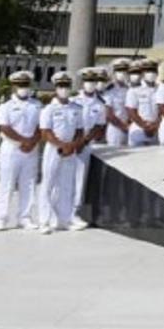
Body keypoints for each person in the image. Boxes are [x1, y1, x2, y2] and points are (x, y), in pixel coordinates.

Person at [0, 70, 42, 231]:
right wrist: (23, 141)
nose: (23, 87)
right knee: (6, 184)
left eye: (26, 85)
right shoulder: (5, 107)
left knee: (28, 184)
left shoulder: (37, 105)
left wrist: (32, 142)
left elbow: (41, 127)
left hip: (31, 149)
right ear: (13, 86)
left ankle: (25, 217)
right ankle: (1, 218)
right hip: (11, 149)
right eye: (20, 85)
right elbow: (4, 128)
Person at [37, 71, 83, 234]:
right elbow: (45, 132)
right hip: (54, 149)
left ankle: (65, 220)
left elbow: (79, 130)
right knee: (48, 185)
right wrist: (61, 145)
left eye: (66, 86)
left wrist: (72, 145)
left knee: (67, 185)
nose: (64, 89)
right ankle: (44, 221)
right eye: (61, 86)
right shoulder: (48, 109)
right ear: (55, 88)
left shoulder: (76, 108)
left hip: (70, 150)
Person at [71, 67, 107, 230]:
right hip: (69, 144)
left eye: (93, 82)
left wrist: (84, 141)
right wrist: (74, 142)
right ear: (82, 83)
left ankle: (75, 213)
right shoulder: (74, 101)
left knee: (80, 179)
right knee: (62, 179)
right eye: (87, 81)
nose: (90, 85)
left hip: (85, 145)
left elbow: (99, 126)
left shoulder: (99, 104)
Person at [125, 59, 160, 146]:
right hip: (139, 129)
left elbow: (162, 110)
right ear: (143, 73)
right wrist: (145, 126)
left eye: (153, 70)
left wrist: (155, 125)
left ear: (157, 73)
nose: (151, 73)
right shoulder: (134, 90)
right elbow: (131, 112)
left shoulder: (161, 89)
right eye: (148, 71)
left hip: (156, 130)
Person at [102, 59, 132, 147]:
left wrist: (130, 125)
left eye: (124, 71)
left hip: (130, 127)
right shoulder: (110, 90)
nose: (122, 73)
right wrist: (123, 126)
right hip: (115, 129)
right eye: (119, 71)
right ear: (114, 73)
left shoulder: (130, 89)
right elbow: (108, 114)